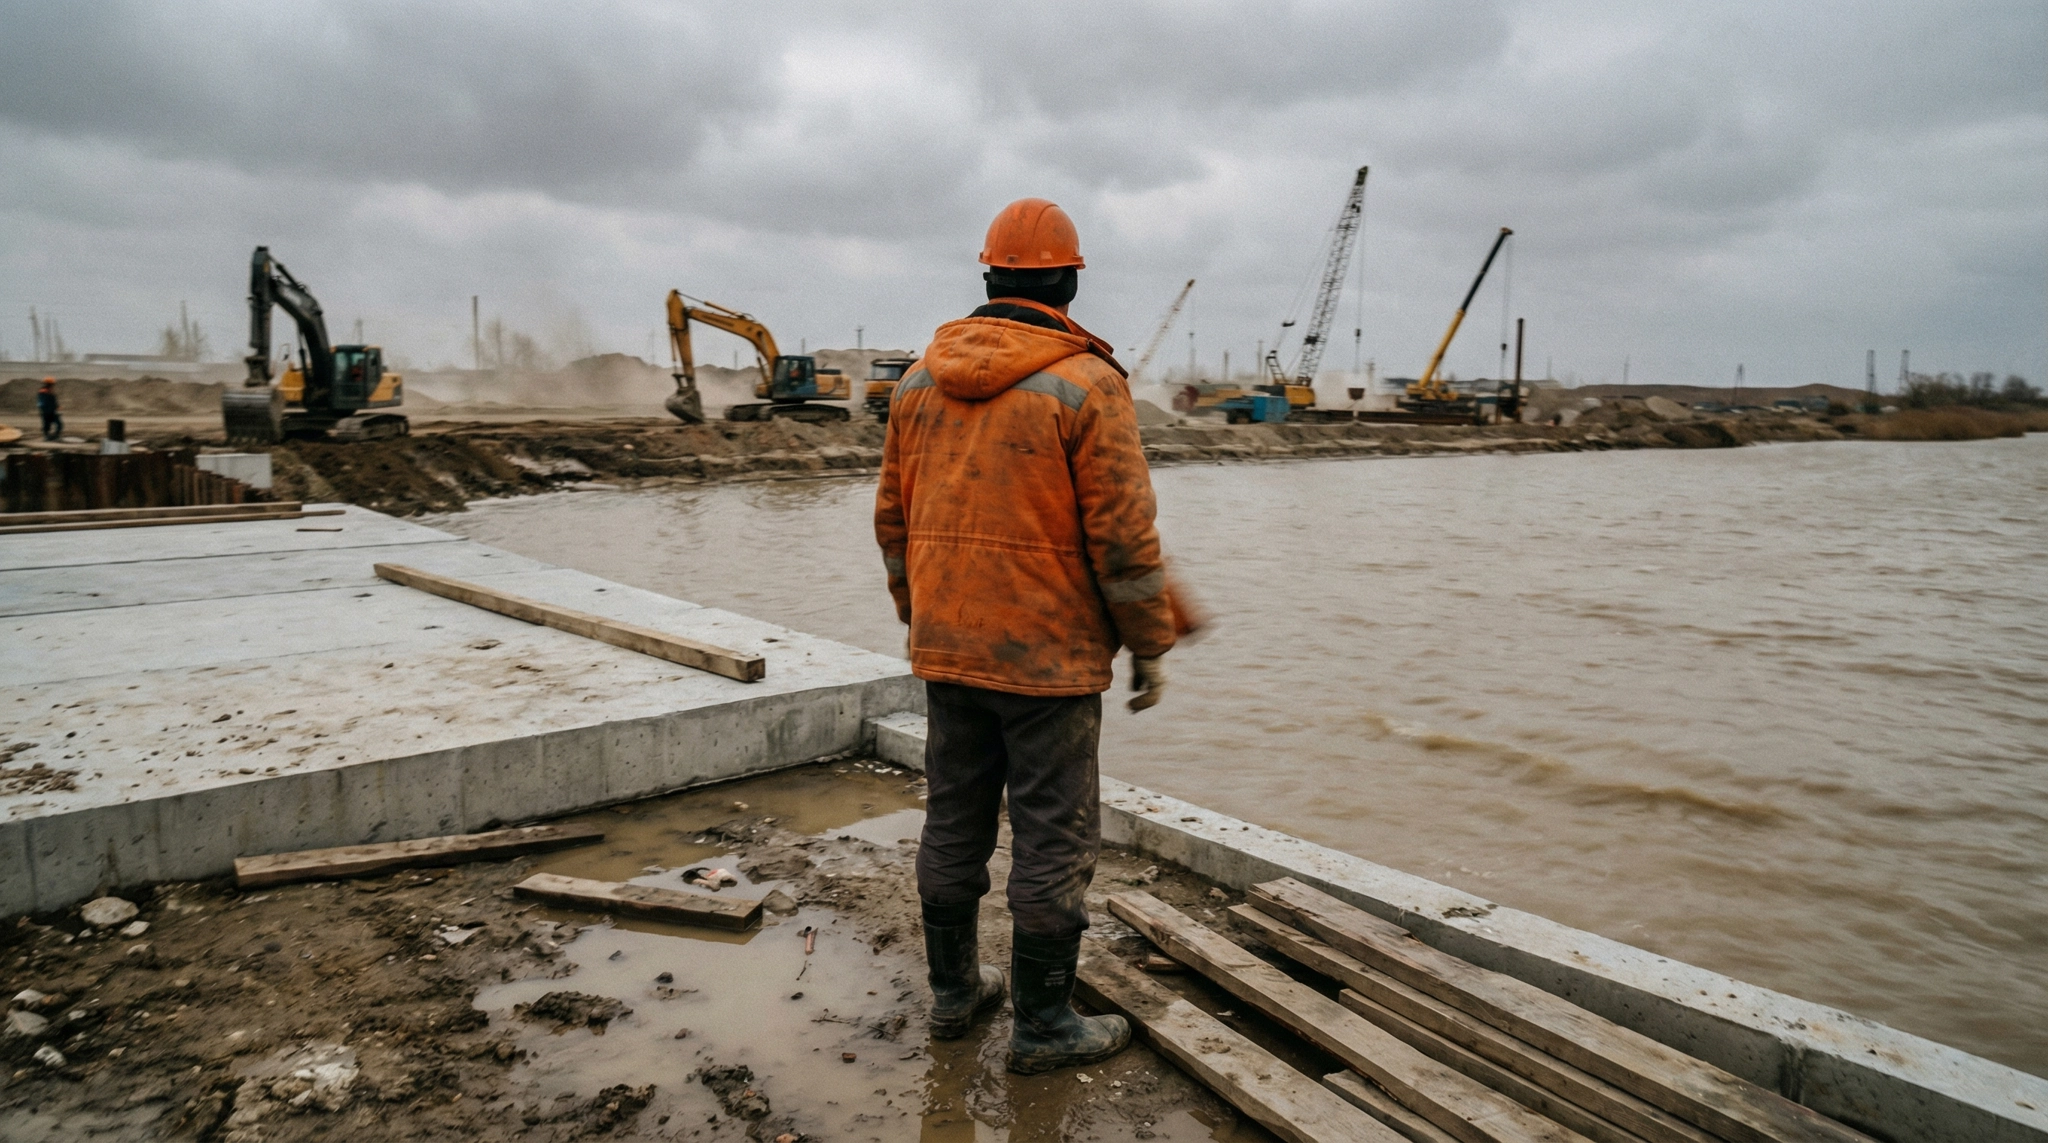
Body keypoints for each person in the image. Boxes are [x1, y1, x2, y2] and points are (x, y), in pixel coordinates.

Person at [875, 198, 1180, 1075]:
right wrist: (1149, 644)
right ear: (1070, 279)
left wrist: (921, 616)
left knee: (953, 822)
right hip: (1048, 662)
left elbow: (893, 522)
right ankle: (1044, 1027)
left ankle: (953, 995)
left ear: (988, 276)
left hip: (949, 646)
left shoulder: (916, 381)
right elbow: (1123, 537)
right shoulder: (1089, 384)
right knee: (1053, 838)